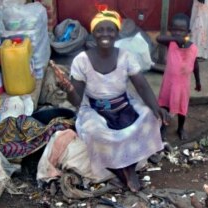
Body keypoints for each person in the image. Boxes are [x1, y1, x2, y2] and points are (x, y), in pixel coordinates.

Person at [52, 10, 168, 192]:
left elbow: (142, 86)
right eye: (100, 30)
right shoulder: (81, 61)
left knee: (149, 116)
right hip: (94, 108)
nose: (105, 34)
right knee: (97, 132)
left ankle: (125, 168)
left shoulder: (126, 56)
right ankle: (126, 172)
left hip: (123, 105)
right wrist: (69, 89)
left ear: (117, 33)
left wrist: (156, 108)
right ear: (93, 34)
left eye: (110, 30)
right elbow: (76, 100)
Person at [157, 13, 201, 141]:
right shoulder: (171, 44)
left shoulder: (193, 48)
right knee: (165, 106)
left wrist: (198, 81)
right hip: (169, 84)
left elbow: (196, 65)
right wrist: (174, 39)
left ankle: (181, 128)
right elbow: (159, 38)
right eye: (174, 29)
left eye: (181, 30)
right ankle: (163, 128)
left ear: (188, 32)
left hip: (183, 86)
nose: (177, 33)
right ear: (171, 30)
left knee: (182, 109)